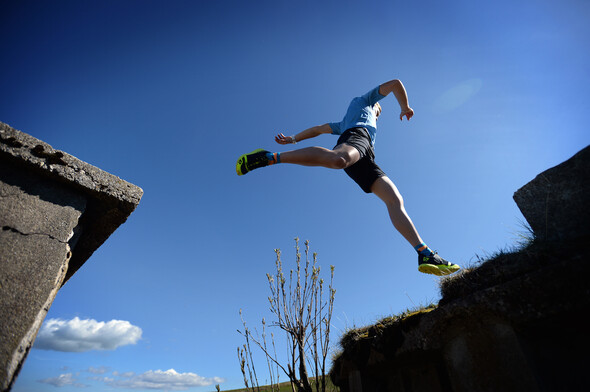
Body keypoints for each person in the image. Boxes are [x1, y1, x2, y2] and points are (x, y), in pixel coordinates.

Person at [236, 79, 460, 276]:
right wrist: (405, 106)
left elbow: (319, 129)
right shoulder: (364, 103)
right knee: (338, 159)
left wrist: (294, 137)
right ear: (374, 105)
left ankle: (425, 254)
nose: (379, 113)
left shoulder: (345, 123)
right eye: (378, 109)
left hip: (365, 155)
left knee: (394, 199)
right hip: (356, 139)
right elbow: (395, 84)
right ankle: (268, 157)